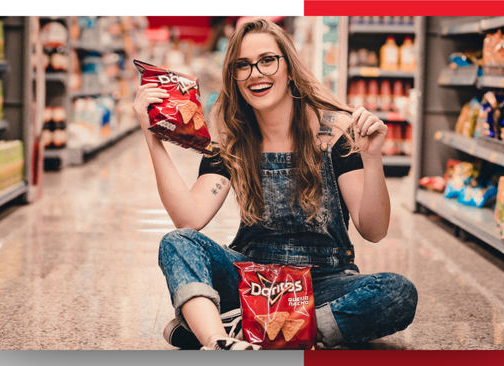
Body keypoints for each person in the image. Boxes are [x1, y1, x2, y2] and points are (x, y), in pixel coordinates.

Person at [132, 18, 418, 351]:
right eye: (243, 65)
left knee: (398, 293)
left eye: (267, 60)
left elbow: (374, 229)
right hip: (249, 277)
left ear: (289, 67)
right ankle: (220, 342)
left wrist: (372, 158)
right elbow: (189, 219)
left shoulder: (335, 131)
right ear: (234, 77)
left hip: (321, 281)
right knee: (177, 242)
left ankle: (247, 327)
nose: (256, 73)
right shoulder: (231, 138)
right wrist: (153, 139)